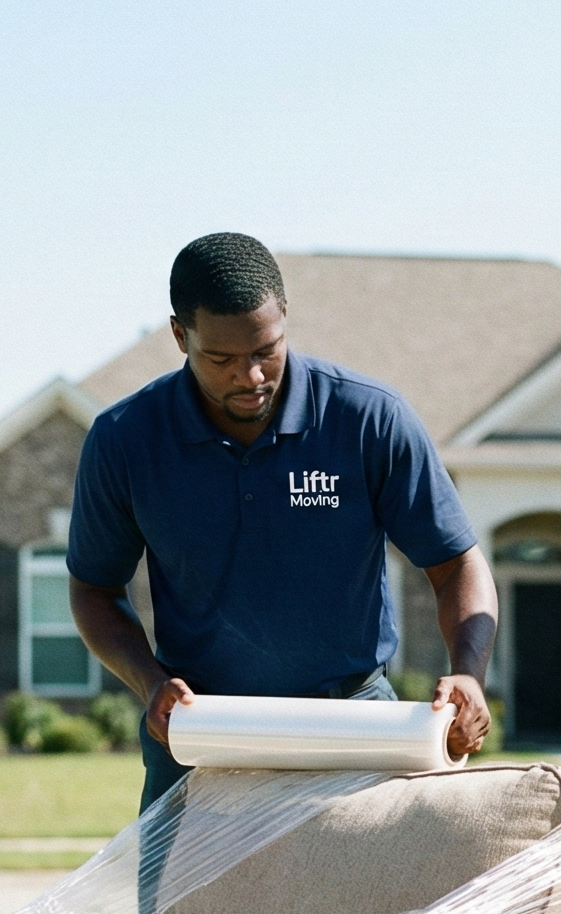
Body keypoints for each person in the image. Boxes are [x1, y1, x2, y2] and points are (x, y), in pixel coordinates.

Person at [67, 232, 496, 818]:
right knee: (178, 911)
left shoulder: (368, 419)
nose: (250, 376)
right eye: (221, 359)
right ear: (179, 336)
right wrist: (150, 683)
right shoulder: (125, 440)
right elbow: (94, 590)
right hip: (201, 729)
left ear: (285, 318)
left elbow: (456, 565)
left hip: (355, 722)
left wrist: (468, 673)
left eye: (265, 349)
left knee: (367, 909)